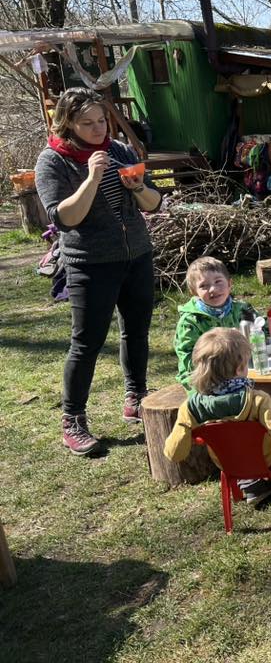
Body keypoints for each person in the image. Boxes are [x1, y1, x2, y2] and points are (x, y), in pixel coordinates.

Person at [34, 87, 162, 456]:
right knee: (86, 343)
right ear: (68, 124)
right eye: (87, 123)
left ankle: (136, 396)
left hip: (136, 255)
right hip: (90, 263)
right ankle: (72, 420)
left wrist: (137, 188)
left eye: (101, 120)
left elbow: (154, 203)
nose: (98, 129)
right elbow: (65, 218)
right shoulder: (53, 161)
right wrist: (91, 178)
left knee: (136, 331)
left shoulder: (119, 150)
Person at [163, 328, 271, 505]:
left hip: (227, 462)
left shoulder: (191, 407)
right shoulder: (257, 400)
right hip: (266, 458)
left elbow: (174, 454)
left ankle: (251, 484)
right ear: (240, 368)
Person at [174, 257, 256, 389]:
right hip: (205, 379)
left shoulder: (242, 309)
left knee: (263, 392)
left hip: (242, 369)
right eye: (203, 286)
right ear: (194, 292)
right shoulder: (190, 321)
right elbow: (188, 359)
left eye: (218, 281)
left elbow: (264, 332)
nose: (213, 289)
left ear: (229, 283)